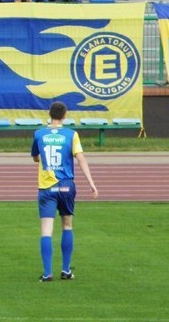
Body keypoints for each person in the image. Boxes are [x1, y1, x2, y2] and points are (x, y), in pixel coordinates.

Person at [32, 101, 98, 281]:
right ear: (64, 116)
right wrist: (91, 182)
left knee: (46, 230)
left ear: (49, 114)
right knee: (67, 225)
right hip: (66, 186)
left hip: (47, 187)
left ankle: (47, 273)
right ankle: (66, 270)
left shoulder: (39, 134)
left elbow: (36, 158)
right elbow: (80, 158)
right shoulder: (71, 135)